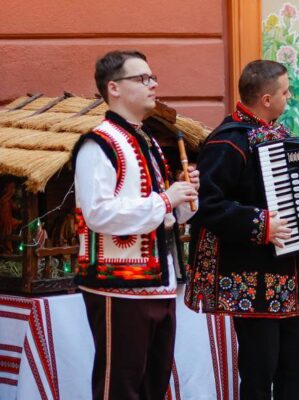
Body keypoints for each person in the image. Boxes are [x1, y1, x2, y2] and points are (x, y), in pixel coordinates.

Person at [185, 60, 299, 399]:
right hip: (249, 279)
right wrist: (261, 224)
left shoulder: (280, 135)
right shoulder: (227, 142)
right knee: (259, 372)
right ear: (267, 98)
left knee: (296, 366)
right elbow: (207, 206)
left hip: (287, 276)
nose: (290, 97)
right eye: (285, 92)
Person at [73, 50, 198, 399]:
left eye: (153, 77)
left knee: (153, 387)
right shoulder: (98, 144)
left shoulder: (148, 141)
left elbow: (165, 217)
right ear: (114, 88)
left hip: (160, 283)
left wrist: (184, 198)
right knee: (121, 389)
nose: (153, 83)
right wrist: (165, 199)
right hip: (118, 286)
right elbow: (98, 214)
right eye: (142, 78)